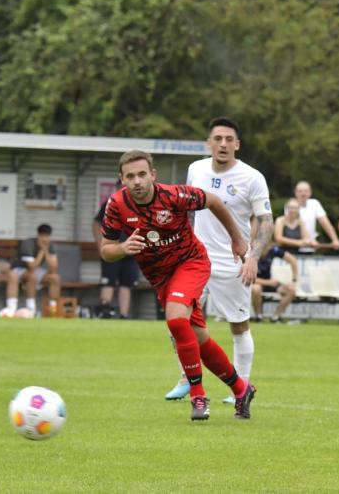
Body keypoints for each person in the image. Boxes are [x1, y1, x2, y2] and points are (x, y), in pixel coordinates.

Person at [100, 149, 254, 421]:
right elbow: (106, 249)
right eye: (130, 176)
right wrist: (123, 247)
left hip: (191, 263)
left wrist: (237, 239)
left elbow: (214, 201)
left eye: (142, 174)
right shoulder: (116, 205)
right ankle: (242, 389)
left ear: (153, 175)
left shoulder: (174, 195)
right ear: (122, 179)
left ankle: (198, 396)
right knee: (199, 340)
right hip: (161, 278)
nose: (137, 181)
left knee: (175, 320)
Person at [164, 117, 273, 407]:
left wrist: (252, 257)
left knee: (238, 325)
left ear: (237, 145)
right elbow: (186, 211)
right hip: (194, 260)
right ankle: (186, 378)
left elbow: (265, 221)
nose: (223, 144)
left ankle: (242, 384)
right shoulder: (195, 169)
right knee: (178, 320)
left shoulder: (252, 177)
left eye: (229, 139)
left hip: (232, 263)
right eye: (218, 138)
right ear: (208, 143)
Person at [93, 190, 140, 319]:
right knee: (108, 283)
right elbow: (96, 223)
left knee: (126, 284)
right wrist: (100, 245)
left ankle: (123, 315)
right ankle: (104, 312)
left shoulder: (140, 203)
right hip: (112, 250)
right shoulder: (111, 202)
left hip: (131, 251)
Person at [18, 224, 62, 317]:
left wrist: (45, 251)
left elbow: (54, 268)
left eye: (47, 236)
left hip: (34, 270)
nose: (44, 239)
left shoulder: (50, 245)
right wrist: (42, 251)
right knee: (32, 276)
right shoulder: (28, 243)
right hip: (19, 269)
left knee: (55, 278)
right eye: (42, 236)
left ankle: (52, 310)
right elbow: (31, 267)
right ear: (37, 235)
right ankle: (31, 310)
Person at [251, 245, 297, 323]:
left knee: (291, 290)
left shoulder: (273, 249)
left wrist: (293, 281)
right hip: (256, 283)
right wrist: (268, 282)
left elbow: (293, 260)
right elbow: (249, 277)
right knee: (256, 288)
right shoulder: (251, 252)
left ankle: (276, 317)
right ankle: (258, 316)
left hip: (270, 283)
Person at [294, 181, 339, 254]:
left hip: (309, 247)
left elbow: (325, 222)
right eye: (300, 191)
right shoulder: (291, 205)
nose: (303, 194)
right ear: (295, 193)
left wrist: (335, 240)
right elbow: (297, 226)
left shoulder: (314, 203)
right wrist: (310, 240)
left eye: (306, 191)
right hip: (293, 246)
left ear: (310, 193)